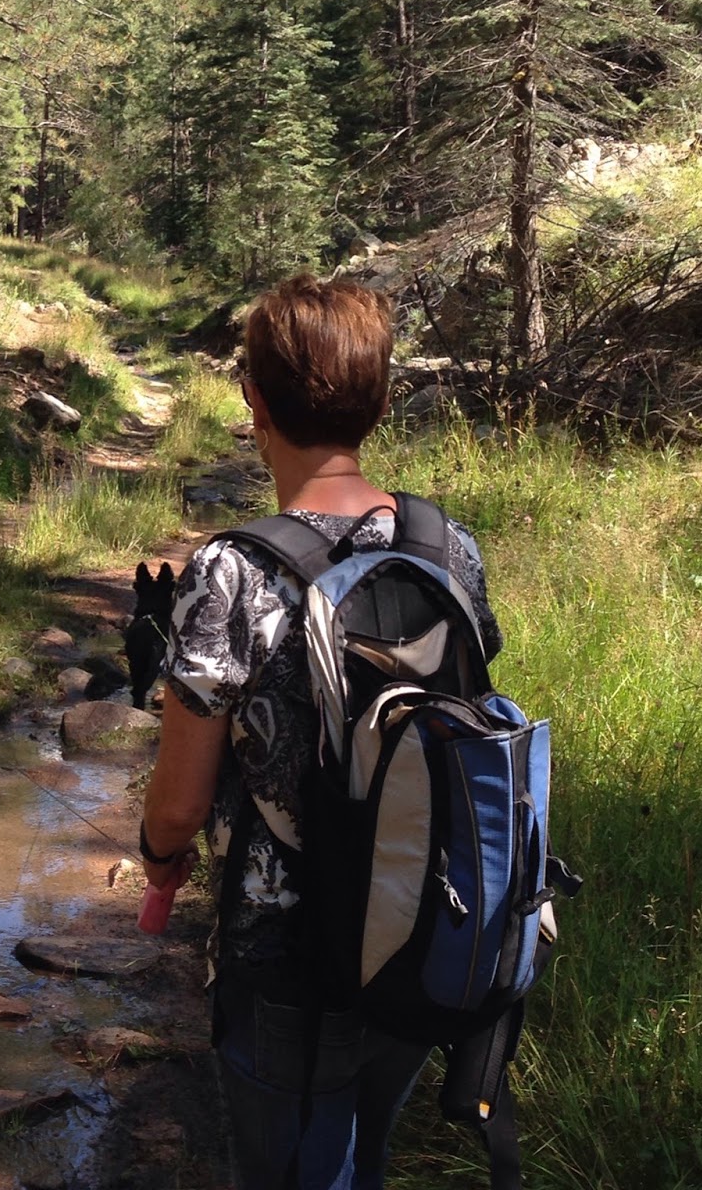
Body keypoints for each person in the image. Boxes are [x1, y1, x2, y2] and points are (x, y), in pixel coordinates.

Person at [139, 274, 503, 1190]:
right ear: (379, 401)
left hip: (284, 952)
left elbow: (179, 807)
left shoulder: (230, 570)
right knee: (364, 1153)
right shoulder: (447, 546)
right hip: (425, 922)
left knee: (291, 1167)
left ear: (253, 403)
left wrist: (158, 857)